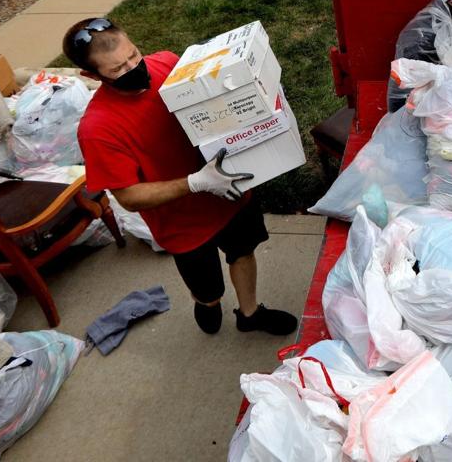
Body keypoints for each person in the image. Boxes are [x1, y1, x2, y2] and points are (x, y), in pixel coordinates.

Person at [64, 18, 297, 336]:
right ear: (91, 76)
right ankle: (208, 303)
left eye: (134, 55)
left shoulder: (168, 64)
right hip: (181, 223)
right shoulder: (98, 129)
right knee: (207, 286)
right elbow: (129, 197)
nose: (134, 67)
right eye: (118, 69)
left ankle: (250, 313)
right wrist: (196, 182)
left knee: (243, 251)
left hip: (230, 192)